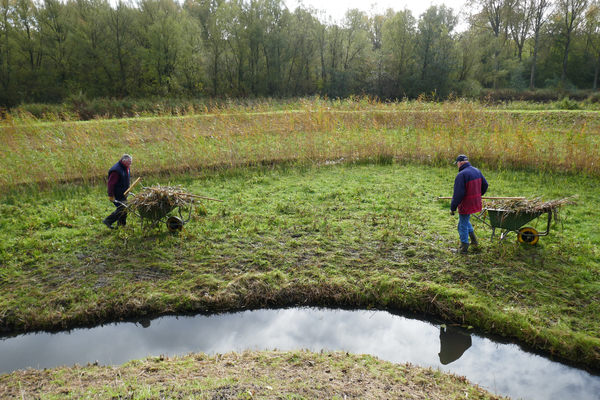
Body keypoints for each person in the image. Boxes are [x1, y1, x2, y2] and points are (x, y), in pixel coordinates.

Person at [450, 154, 488, 254]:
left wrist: (453, 207)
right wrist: (477, 195)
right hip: (475, 202)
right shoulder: (476, 170)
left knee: (462, 225)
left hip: (466, 203)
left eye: (457, 163)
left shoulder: (461, 175)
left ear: (460, 163)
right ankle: (474, 240)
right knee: (466, 220)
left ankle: (463, 248)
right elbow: (485, 185)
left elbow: (458, 194)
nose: (457, 165)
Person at [103, 154, 133, 229]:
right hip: (117, 193)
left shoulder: (126, 167)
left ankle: (121, 225)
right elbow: (111, 184)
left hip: (124, 193)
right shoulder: (116, 170)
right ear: (124, 161)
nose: (131, 163)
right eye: (129, 162)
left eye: (131, 162)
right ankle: (108, 220)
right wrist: (111, 195)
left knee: (124, 209)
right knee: (122, 208)